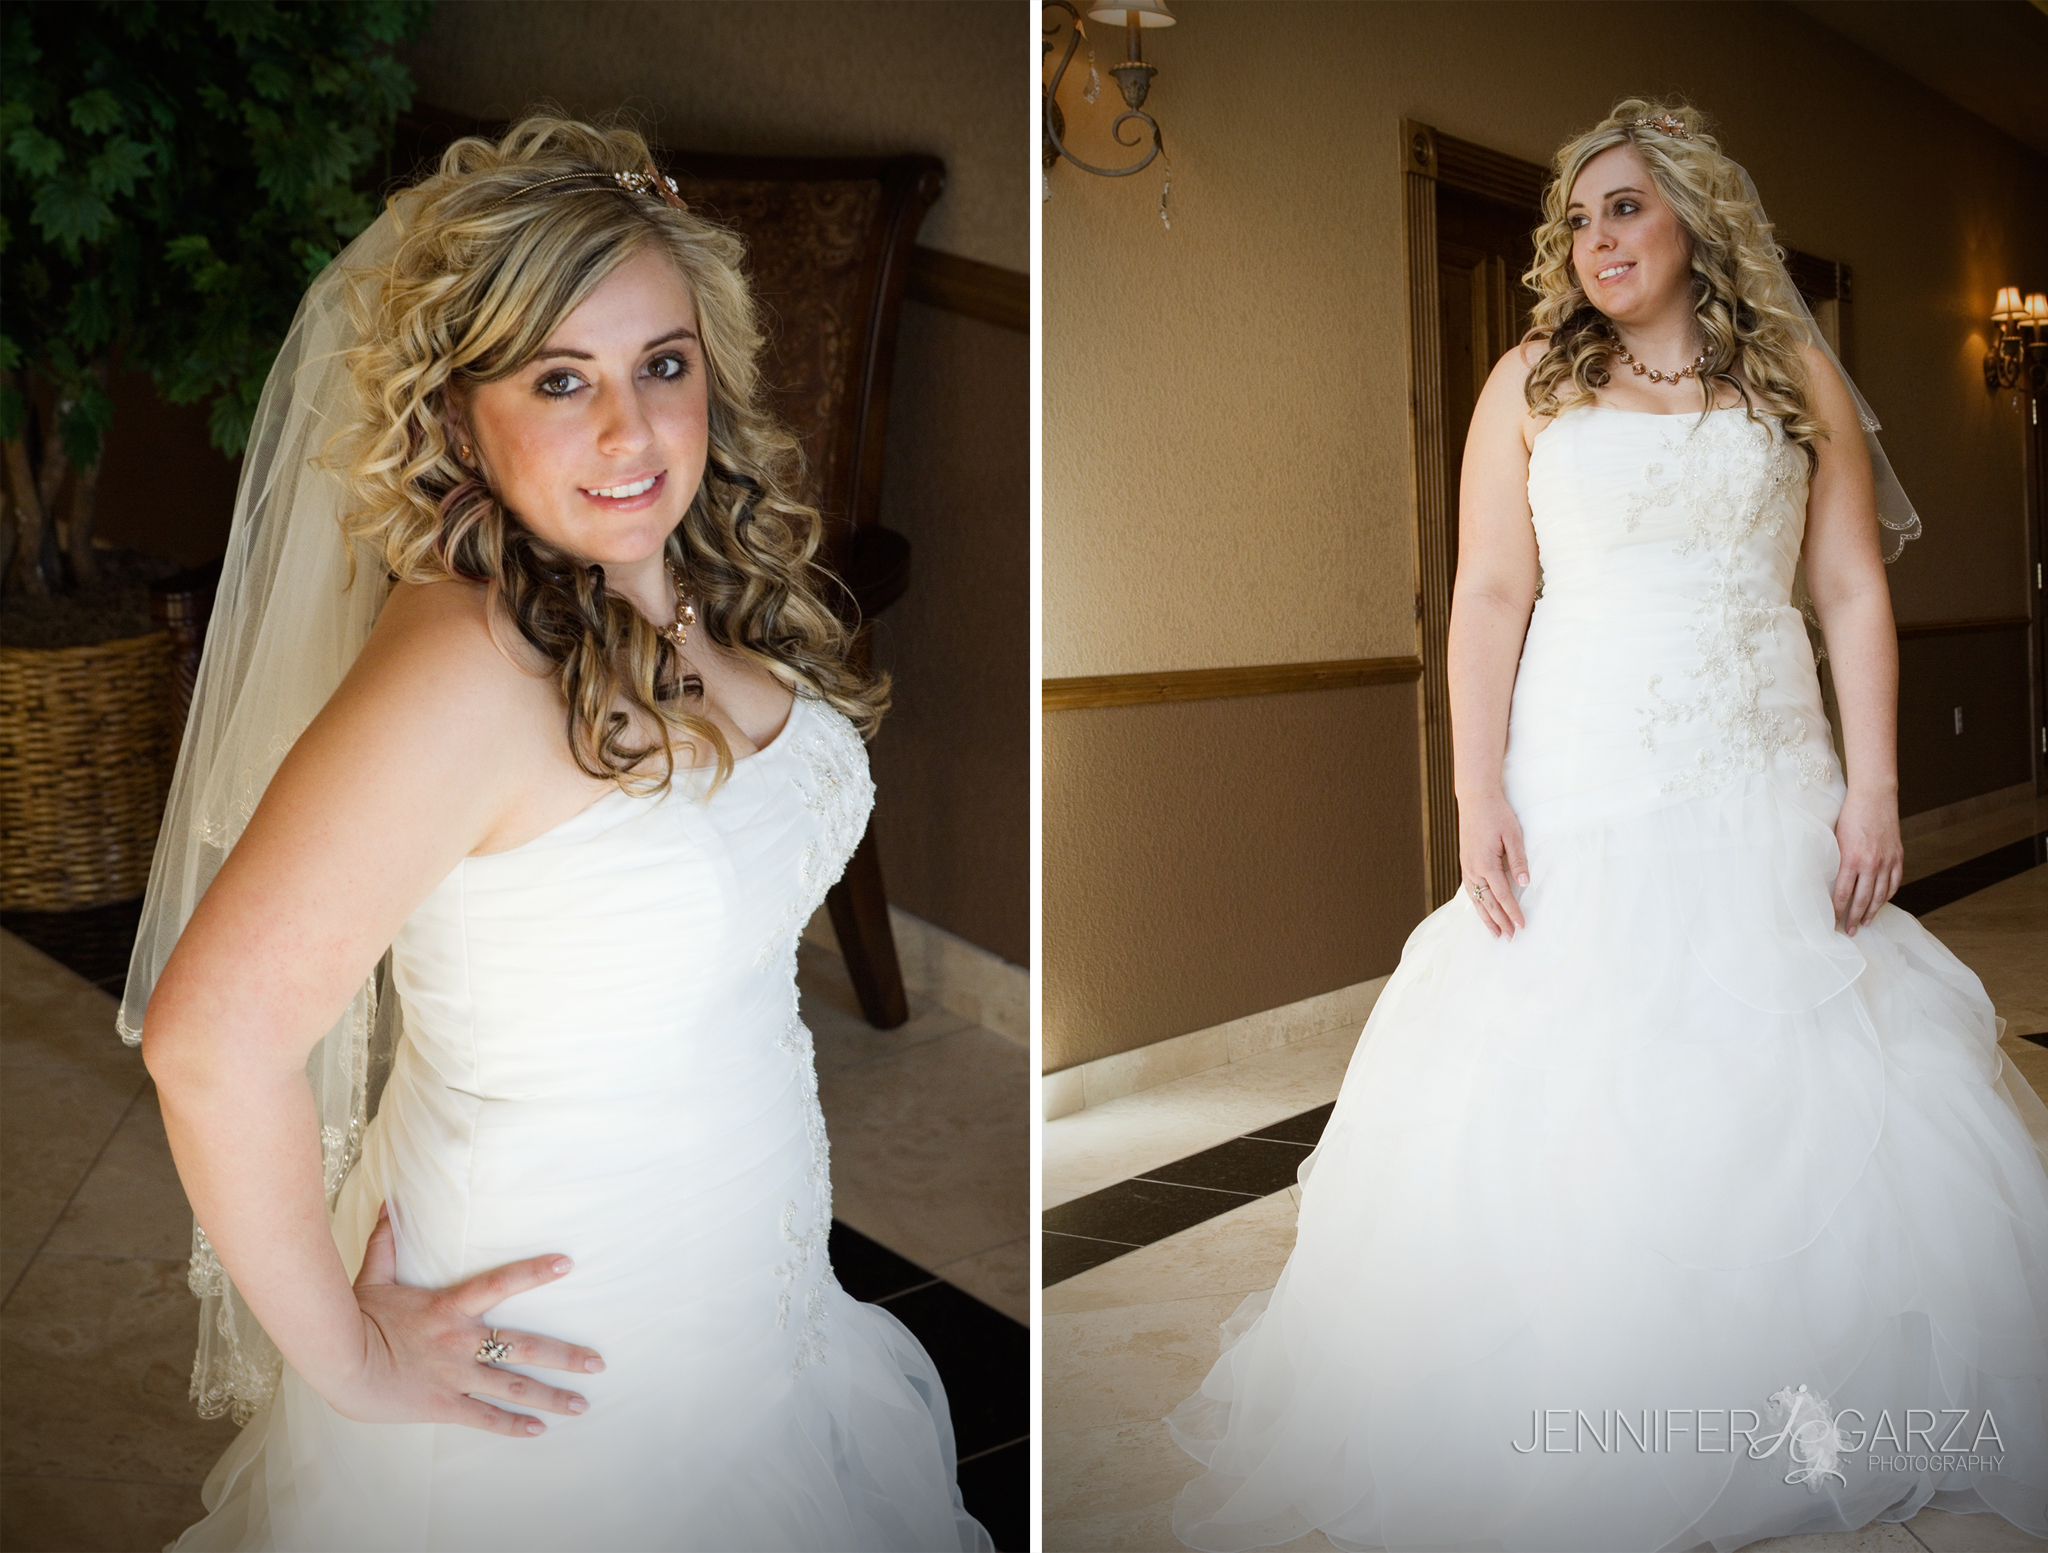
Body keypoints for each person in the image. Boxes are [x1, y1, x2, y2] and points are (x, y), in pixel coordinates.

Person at [1167, 99, 2048, 1553]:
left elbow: (1846, 595)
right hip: (1582, 770)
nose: (1595, 240)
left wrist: (1877, 785)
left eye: (1624, 207)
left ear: (1697, 214)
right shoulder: (1528, 383)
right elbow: (1492, 597)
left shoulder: (1791, 381)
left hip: (1767, 769)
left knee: (1808, 1050)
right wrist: (1476, 788)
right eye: (1576, 219)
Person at [121, 116, 991, 1553]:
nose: (631, 432)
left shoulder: (686, 583)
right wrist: (346, 1355)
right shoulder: (465, 663)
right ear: (461, 416)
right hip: (558, 1360)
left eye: (662, 364)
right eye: (558, 380)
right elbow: (209, 1042)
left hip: (741, 1299)